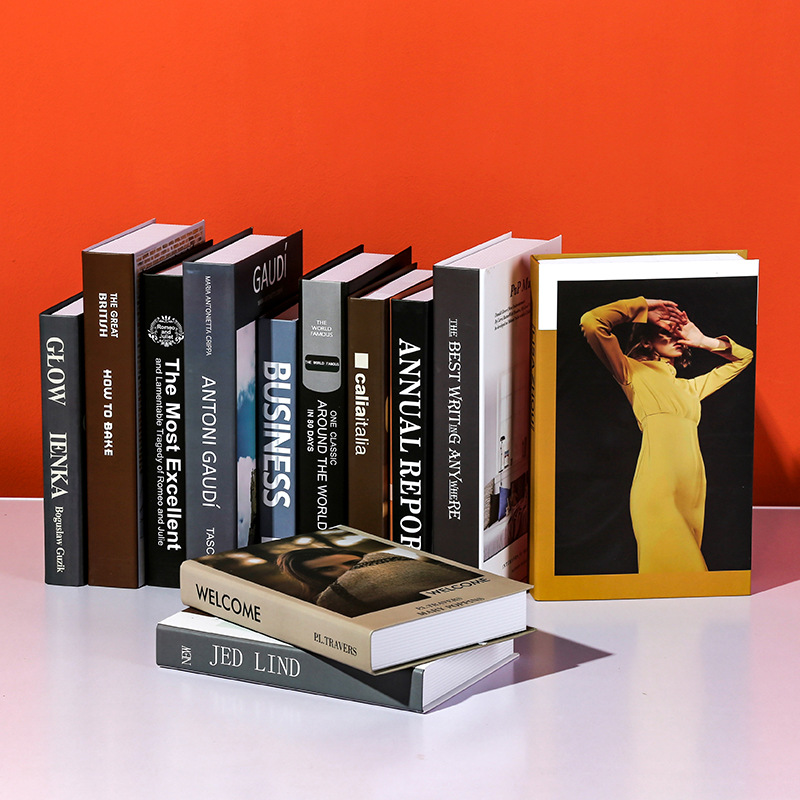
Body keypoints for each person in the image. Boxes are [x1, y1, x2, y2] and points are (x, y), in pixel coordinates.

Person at [580, 296, 753, 573]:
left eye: (678, 332)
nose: (675, 336)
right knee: (687, 575)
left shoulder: (690, 389)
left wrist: (703, 340)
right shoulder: (631, 371)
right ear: (646, 340)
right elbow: (591, 322)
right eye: (666, 331)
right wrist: (643, 307)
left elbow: (744, 358)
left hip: (692, 494)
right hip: (657, 489)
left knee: (682, 583)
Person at [277, 546, 479, 616]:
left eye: (352, 562)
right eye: (327, 569)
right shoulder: (329, 601)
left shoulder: (389, 558)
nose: (347, 571)